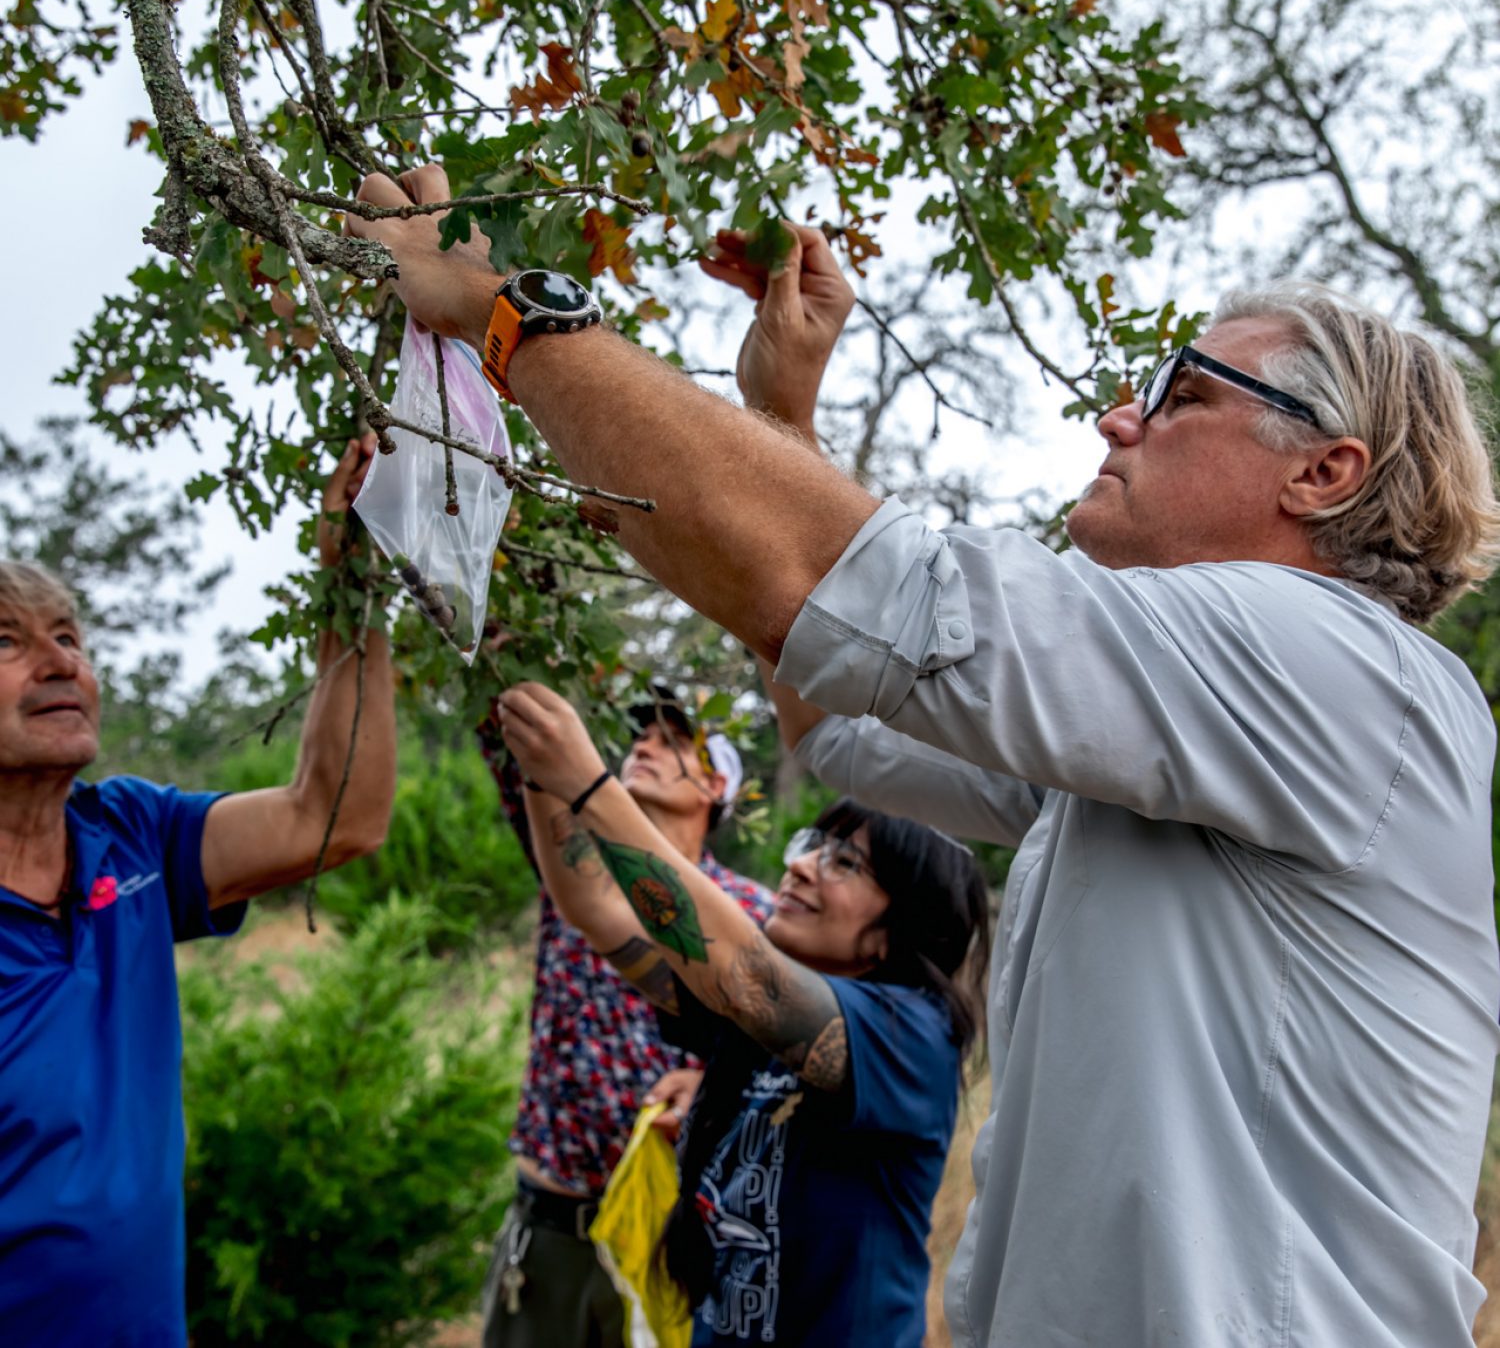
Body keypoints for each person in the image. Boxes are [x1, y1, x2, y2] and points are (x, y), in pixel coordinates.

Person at [348, 166, 1500, 1345]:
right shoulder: (1200, 739)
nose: (1119, 416)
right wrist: (783, 435)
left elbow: (831, 585)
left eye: (1178, 390)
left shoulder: (1339, 669)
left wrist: (501, 312)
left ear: (1324, 471)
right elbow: (837, 725)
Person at [0, 435, 397, 1346]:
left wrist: (351, 585)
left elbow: (333, 818)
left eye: (68, 636)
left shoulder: (129, 833)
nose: (59, 662)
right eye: (9, 643)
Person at [494, 679, 991, 1347]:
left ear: (896, 932)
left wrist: (590, 785)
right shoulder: (756, 1025)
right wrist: (540, 771)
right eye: (813, 844)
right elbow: (597, 906)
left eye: (844, 862)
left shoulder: (910, 1033)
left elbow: (747, 979)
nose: (804, 867)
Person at [476, 687, 771, 1348]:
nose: (644, 744)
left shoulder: (754, 917)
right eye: (641, 734)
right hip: (551, 1225)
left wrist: (716, 1083)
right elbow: (517, 749)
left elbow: (789, 1068)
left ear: (717, 783)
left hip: (669, 1238)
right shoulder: (575, 869)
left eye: (673, 741)